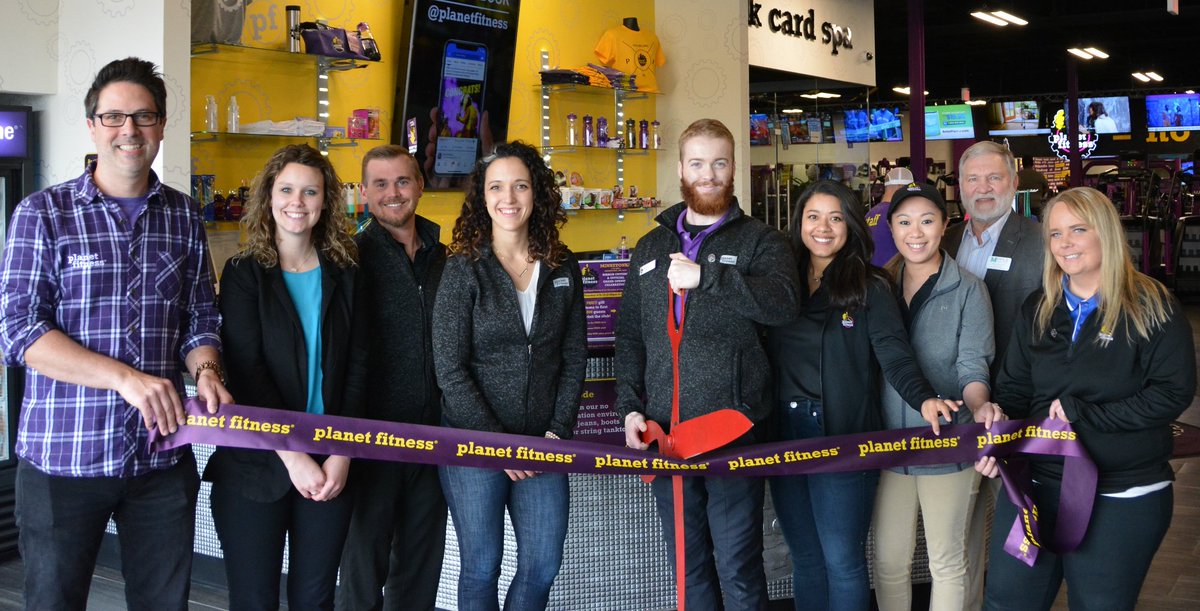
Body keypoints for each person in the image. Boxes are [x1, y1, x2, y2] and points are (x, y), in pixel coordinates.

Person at [0, 57, 229, 611]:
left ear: (162, 125)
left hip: (159, 459)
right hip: (64, 459)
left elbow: (200, 317)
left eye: (144, 116)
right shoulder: (42, 213)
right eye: (114, 117)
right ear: (93, 125)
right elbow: (19, 331)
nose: (130, 130)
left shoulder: (183, 216)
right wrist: (126, 380)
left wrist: (206, 370)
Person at [976, 187, 1196, 610]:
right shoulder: (1038, 307)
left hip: (1119, 491)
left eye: (1078, 229)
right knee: (1006, 602)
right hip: (1035, 488)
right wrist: (998, 437)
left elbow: (1172, 394)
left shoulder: (1152, 305)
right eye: (1055, 234)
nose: (1065, 243)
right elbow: (1015, 390)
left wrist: (1085, 414)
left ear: (1107, 234)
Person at [616, 118, 799, 611]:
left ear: (733, 167)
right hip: (666, 432)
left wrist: (710, 278)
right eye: (697, 163)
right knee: (687, 566)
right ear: (680, 169)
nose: (709, 174)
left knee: (739, 564)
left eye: (719, 163)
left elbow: (784, 304)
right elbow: (631, 336)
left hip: (733, 428)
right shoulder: (651, 247)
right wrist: (630, 409)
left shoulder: (762, 241)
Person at [767, 180, 959, 611]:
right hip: (784, 434)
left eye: (836, 218)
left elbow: (896, 357)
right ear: (798, 222)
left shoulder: (869, 285)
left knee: (843, 562)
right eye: (813, 216)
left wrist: (925, 398)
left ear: (851, 225)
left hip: (843, 436)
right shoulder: (781, 283)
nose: (823, 227)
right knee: (806, 559)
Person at [204, 143, 368, 610]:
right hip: (258, 464)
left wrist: (342, 453)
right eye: (287, 189)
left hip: (330, 462)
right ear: (268, 197)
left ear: (326, 202)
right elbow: (249, 374)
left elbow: (359, 367)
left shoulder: (346, 274)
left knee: (314, 600)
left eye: (310, 191)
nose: (297, 201)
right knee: (254, 600)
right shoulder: (242, 274)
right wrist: (294, 456)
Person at [432, 140, 586, 610]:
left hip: (543, 442)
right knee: (482, 566)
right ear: (482, 197)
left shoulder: (562, 265)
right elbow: (450, 370)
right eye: (496, 187)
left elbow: (574, 353)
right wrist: (497, 442)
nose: (509, 198)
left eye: (520, 185)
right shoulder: (463, 269)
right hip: (473, 444)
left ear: (536, 193)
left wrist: (558, 430)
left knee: (542, 565)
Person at [871, 182, 1003, 611]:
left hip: (947, 442)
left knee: (946, 561)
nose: (916, 232)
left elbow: (972, 368)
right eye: (905, 222)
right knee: (888, 561)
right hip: (886, 446)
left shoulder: (968, 289)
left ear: (945, 225)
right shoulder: (876, 286)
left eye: (927, 221)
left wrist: (980, 405)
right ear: (890, 227)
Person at [336, 145, 448, 611]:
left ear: (420, 185)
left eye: (402, 181)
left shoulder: (445, 257)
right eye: (380, 184)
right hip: (371, 441)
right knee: (363, 571)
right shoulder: (349, 260)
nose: (393, 193)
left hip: (434, 439)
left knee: (420, 573)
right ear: (364, 193)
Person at [945, 141, 1044, 611]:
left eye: (994, 178)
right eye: (972, 179)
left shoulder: (1044, 242)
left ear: (1014, 182)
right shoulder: (940, 241)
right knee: (955, 534)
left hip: (1014, 412)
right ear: (959, 187)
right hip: (950, 412)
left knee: (1010, 536)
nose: (983, 189)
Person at [865, 166, 916, 267]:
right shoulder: (898, 213)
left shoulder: (869, 214)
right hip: (892, 276)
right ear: (901, 187)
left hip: (872, 277)